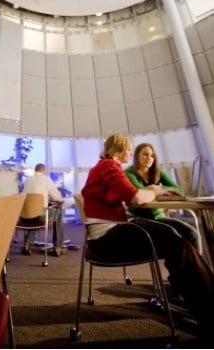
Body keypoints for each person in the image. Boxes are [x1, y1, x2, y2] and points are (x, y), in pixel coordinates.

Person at [81, 133, 214, 339]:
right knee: (175, 241)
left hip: (107, 232)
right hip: (106, 238)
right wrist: (154, 191)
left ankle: (192, 295)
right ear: (119, 149)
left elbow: (131, 196)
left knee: (174, 237)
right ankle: (205, 308)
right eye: (129, 149)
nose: (131, 153)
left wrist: (149, 190)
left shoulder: (104, 167)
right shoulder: (110, 167)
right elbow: (137, 197)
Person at [125, 143, 200, 250]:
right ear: (137, 156)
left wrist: (157, 188)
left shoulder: (157, 172)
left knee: (190, 233)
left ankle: (194, 265)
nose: (149, 158)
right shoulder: (129, 173)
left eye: (152, 156)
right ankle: (194, 265)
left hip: (159, 217)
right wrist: (158, 190)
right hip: (140, 219)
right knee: (187, 234)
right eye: (145, 154)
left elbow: (179, 190)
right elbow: (139, 192)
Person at [22, 163, 66, 257]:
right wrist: (58, 202)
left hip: (25, 215)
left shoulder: (28, 179)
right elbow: (57, 197)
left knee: (34, 214)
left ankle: (27, 244)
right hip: (39, 216)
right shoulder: (46, 180)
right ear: (44, 170)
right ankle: (58, 247)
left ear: (35, 170)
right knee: (58, 212)